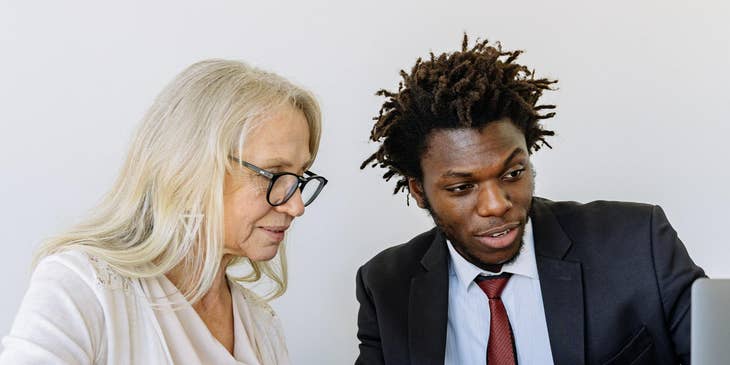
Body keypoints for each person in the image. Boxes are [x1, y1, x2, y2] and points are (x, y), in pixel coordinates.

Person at [356, 36, 705, 365]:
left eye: (512, 173)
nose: (496, 205)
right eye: (462, 187)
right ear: (419, 190)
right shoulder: (387, 286)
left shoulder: (638, 244)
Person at [0, 59, 327, 364]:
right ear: (189, 167)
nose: (296, 205)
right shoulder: (84, 286)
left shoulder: (260, 323)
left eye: (299, 178)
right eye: (273, 174)